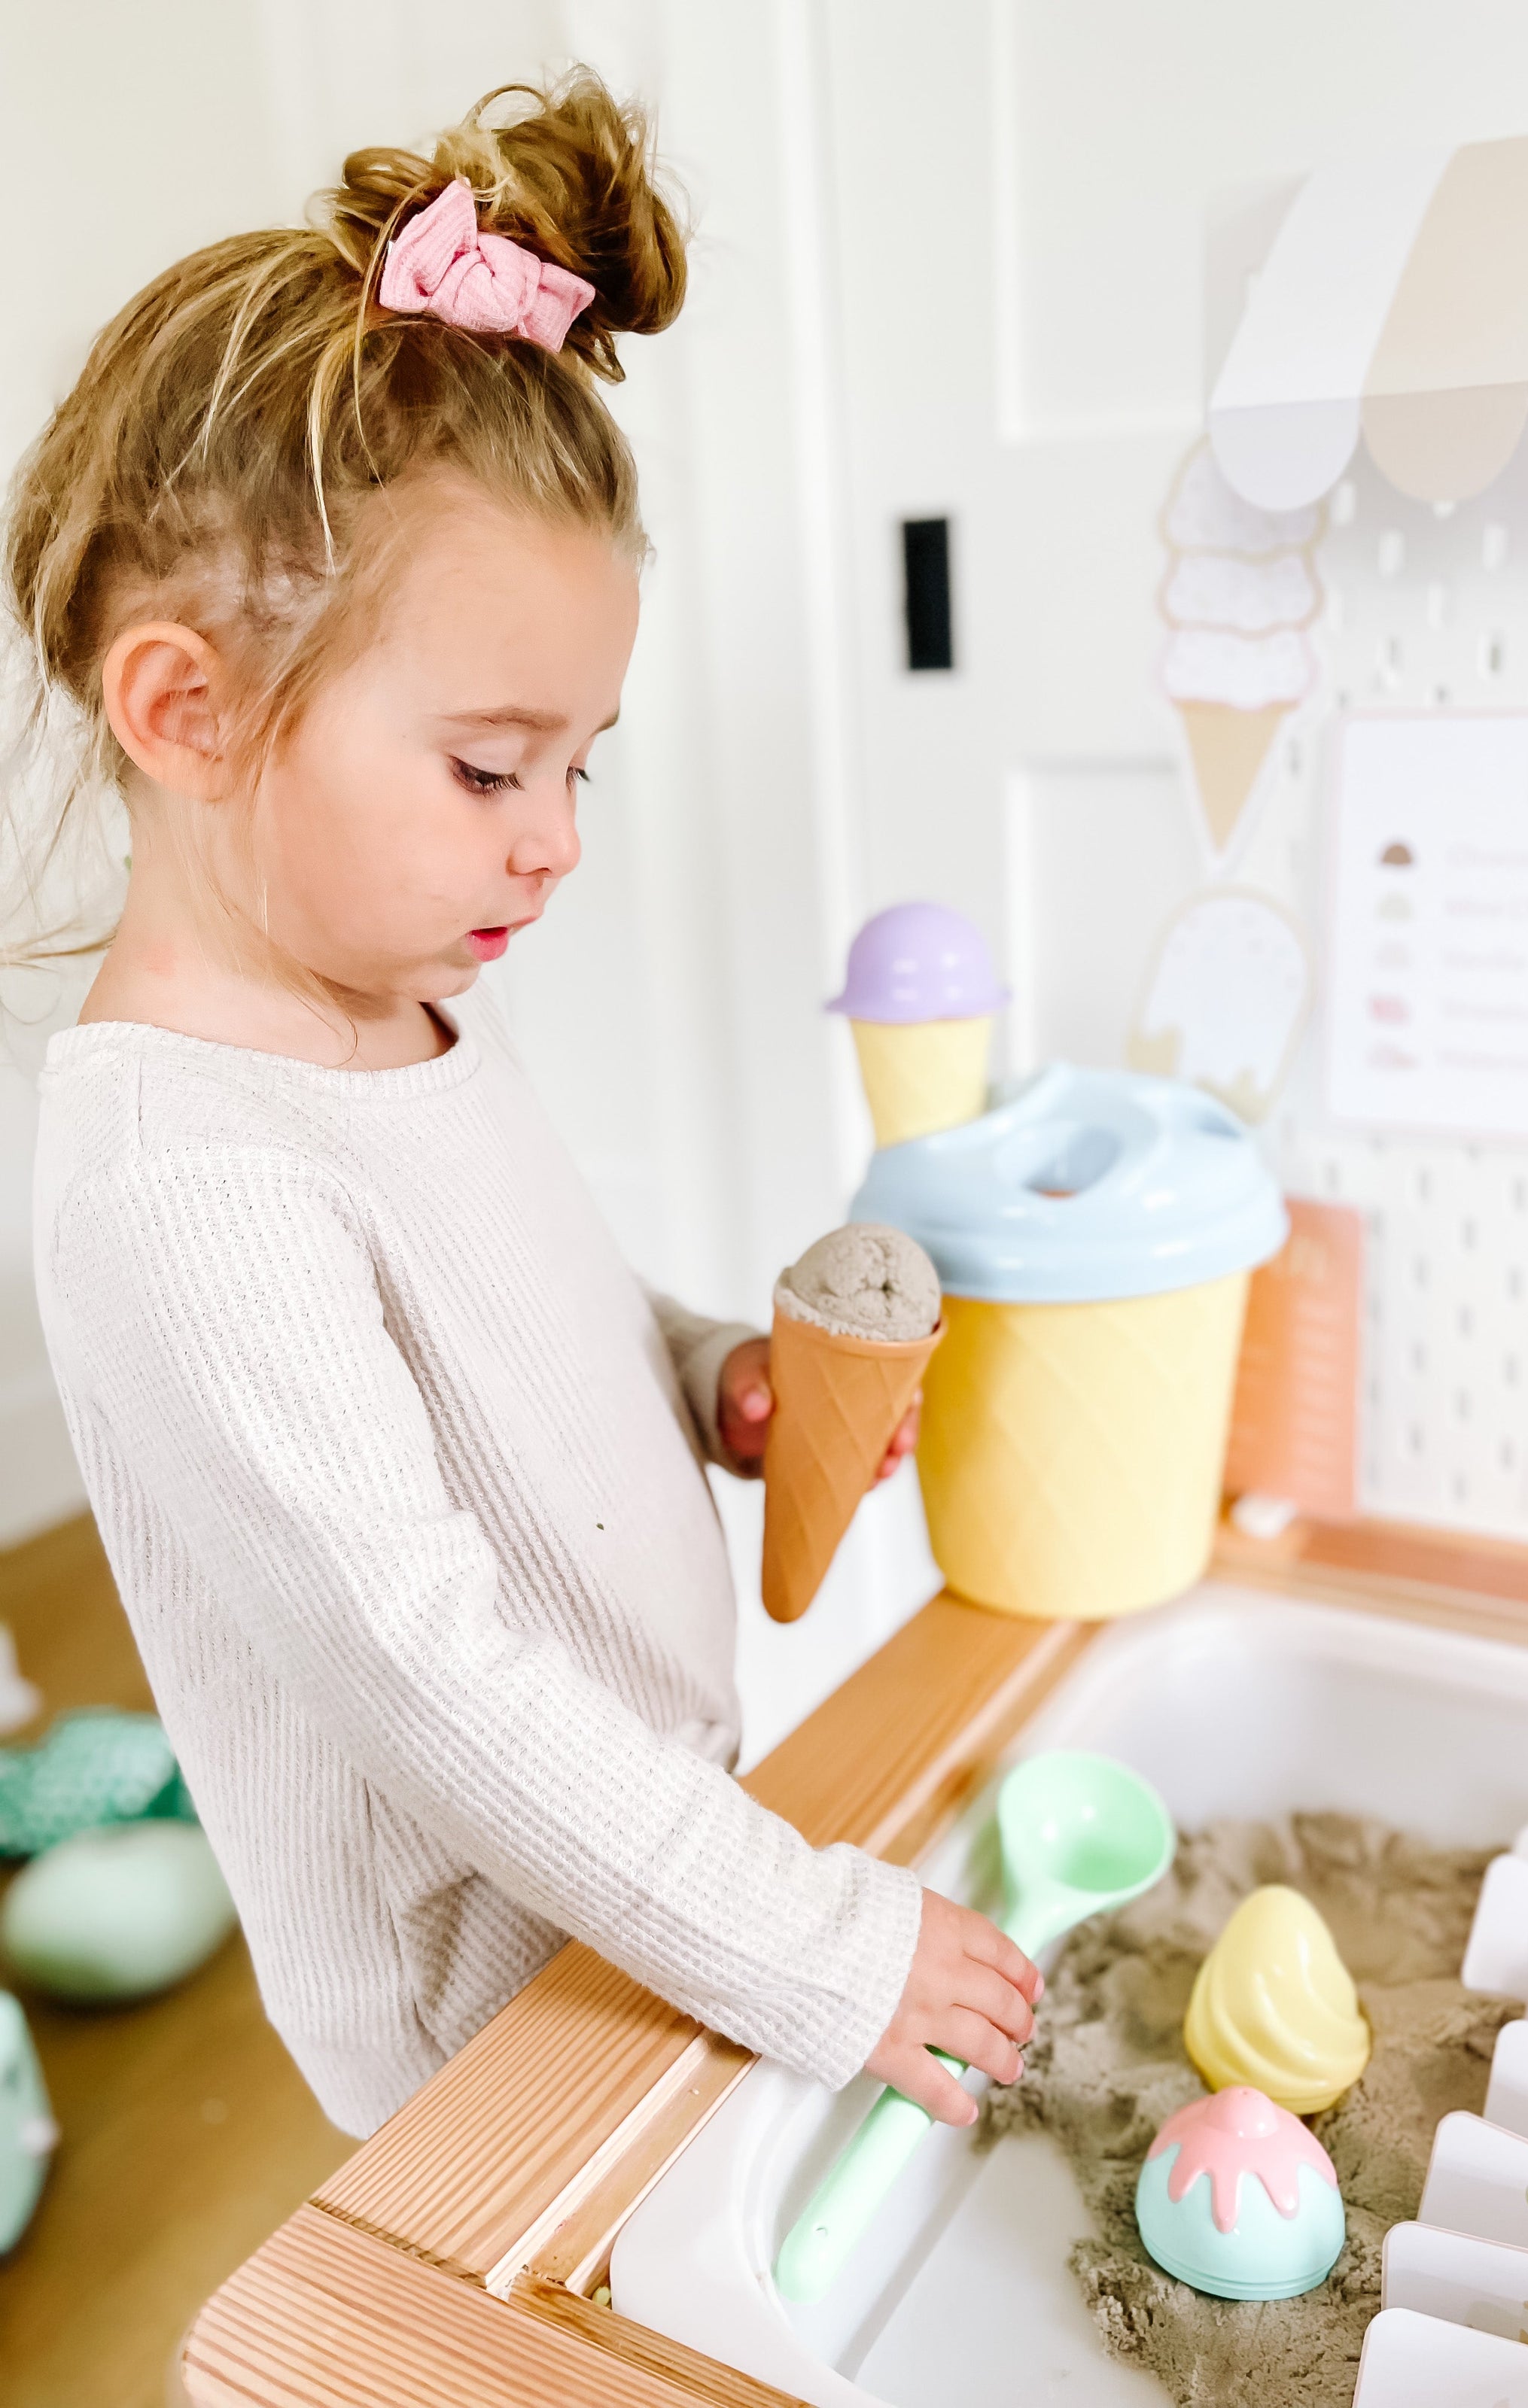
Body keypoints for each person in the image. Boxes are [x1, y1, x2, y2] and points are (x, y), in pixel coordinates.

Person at [8, 71, 1037, 2139]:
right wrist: (822, 1944)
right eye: (492, 767)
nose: (554, 842)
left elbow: (517, 1329)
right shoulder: (180, 1181)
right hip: (489, 2014)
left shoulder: (388, 1002)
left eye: (585, 765)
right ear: (187, 711)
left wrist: (705, 1377)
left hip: (633, 1874)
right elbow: (428, 1669)